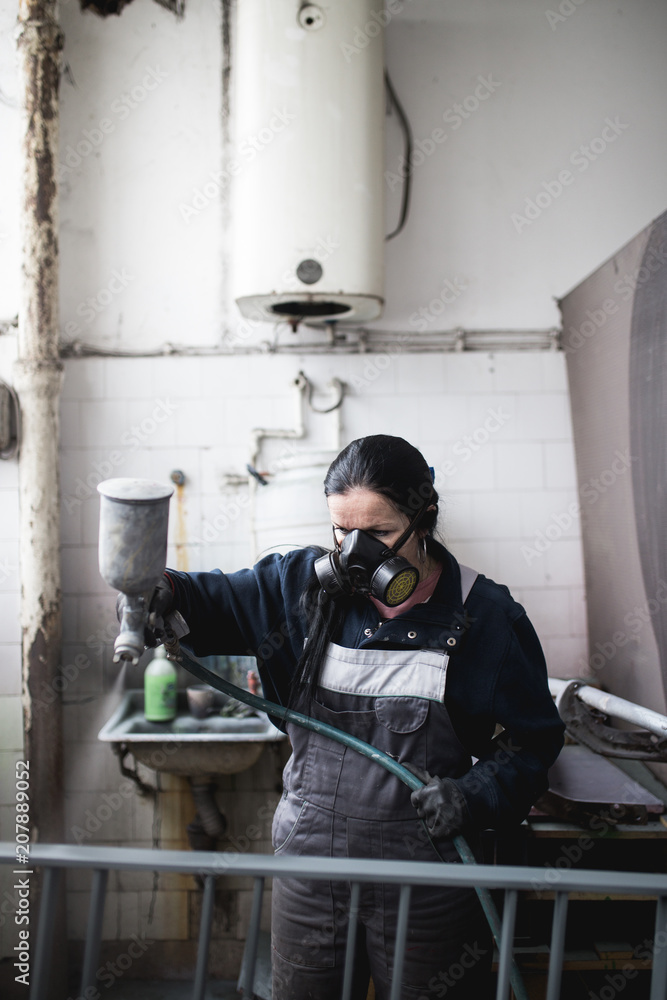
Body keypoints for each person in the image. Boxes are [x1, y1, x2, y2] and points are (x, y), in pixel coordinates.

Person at [148, 434, 565, 999]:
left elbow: (532, 742)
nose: (355, 554)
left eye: (380, 535)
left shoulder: (485, 617)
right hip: (313, 865)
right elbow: (212, 600)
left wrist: (474, 795)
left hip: (429, 868)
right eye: (343, 532)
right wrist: (159, 592)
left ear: (426, 519)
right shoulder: (299, 587)